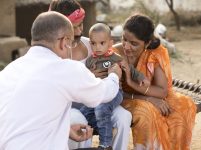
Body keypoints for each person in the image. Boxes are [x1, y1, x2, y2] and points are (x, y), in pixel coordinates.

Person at [0, 11, 122, 150]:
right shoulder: (65, 68)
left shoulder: (8, 71)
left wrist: (66, 130)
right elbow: (104, 94)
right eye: (71, 43)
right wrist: (114, 75)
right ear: (64, 42)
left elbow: (25, 119)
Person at [49, 1, 132, 150]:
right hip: (70, 108)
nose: (81, 30)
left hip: (100, 101)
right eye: (75, 27)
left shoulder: (91, 45)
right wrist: (87, 78)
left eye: (81, 24)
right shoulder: (54, 53)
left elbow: (111, 52)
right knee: (79, 120)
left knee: (123, 117)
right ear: (61, 29)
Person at [113, 14, 197, 150]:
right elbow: (113, 93)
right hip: (123, 98)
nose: (127, 47)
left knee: (184, 105)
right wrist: (148, 99)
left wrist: (135, 85)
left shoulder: (155, 53)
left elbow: (162, 90)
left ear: (147, 43)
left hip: (150, 94)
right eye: (124, 39)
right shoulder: (114, 54)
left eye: (134, 43)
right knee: (147, 112)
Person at [79, 23, 149, 150]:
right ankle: (108, 128)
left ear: (110, 43)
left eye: (102, 43)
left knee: (101, 108)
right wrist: (90, 74)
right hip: (97, 94)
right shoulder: (90, 61)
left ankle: (105, 144)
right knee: (83, 112)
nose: (97, 47)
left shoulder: (115, 58)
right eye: (93, 43)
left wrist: (141, 77)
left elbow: (130, 69)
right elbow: (84, 79)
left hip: (115, 94)